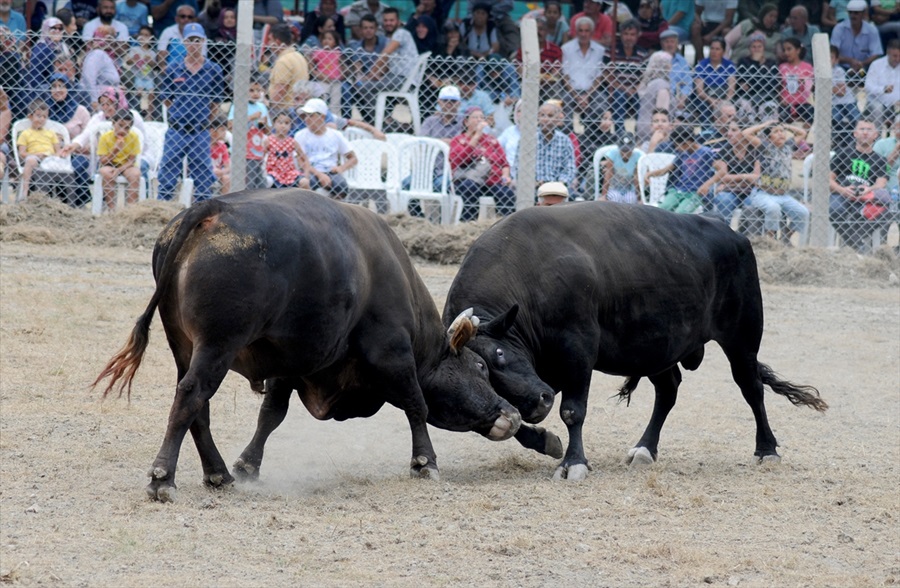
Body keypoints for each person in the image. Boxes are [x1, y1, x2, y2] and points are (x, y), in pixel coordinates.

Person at [156, 22, 224, 202]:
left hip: (200, 130)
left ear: (203, 42)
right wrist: (180, 114)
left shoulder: (213, 70)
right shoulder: (173, 68)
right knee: (168, 172)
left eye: (198, 40)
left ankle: (202, 215)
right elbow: (167, 99)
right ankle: (163, 209)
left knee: (203, 175)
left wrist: (205, 122)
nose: (194, 44)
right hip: (177, 129)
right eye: (190, 40)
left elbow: (215, 103)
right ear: (184, 42)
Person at [742, 118, 810, 242]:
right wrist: (765, 125)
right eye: (776, 132)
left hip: (783, 195)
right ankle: (770, 240)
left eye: (782, 131)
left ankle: (786, 237)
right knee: (773, 208)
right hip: (763, 193)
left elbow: (802, 133)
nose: (780, 134)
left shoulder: (788, 146)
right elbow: (746, 133)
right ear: (769, 137)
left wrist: (785, 125)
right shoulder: (765, 146)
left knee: (803, 213)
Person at [829, 118, 891, 252]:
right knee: (834, 210)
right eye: (862, 129)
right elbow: (828, 179)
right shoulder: (843, 153)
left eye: (869, 130)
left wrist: (869, 189)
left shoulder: (879, 160)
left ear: (876, 135)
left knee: (887, 212)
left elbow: (881, 184)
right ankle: (857, 244)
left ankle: (853, 242)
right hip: (842, 194)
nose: (865, 133)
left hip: (865, 197)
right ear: (855, 133)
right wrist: (842, 189)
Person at [349, 7, 417, 124]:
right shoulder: (389, 39)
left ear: (398, 21)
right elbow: (385, 63)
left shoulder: (401, 33)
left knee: (362, 86)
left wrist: (369, 76)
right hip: (393, 78)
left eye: (391, 20)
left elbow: (384, 55)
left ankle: (378, 122)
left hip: (404, 79)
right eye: (386, 20)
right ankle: (382, 121)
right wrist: (376, 75)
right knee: (364, 87)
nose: (388, 23)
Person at [449, 106, 514, 221]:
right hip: (469, 179)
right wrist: (477, 135)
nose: (479, 120)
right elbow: (459, 160)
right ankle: (468, 224)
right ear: (466, 121)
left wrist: (505, 176)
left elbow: (504, 163)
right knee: (469, 187)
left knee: (506, 193)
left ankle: (506, 225)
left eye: (482, 118)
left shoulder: (491, 140)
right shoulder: (458, 140)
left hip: (492, 181)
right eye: (475, 117)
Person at [649, 124, 724, 213]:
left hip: (695, 193)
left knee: (680, 213)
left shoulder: (706, 153)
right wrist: (649, 174)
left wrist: (707, 184)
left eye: (678, 145)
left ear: (687, 142)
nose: (677, 148)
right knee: (661, 210)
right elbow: (666, 169)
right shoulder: (683, 153)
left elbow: (723, 170)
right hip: (678, 191)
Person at [293, 98, 357, 199]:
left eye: (311, 115)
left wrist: (341, 168)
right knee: (307, 183)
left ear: (322, 116)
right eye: (305, 115)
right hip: (310, 171)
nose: (306, 119)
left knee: (342, 187)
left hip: (331, 171)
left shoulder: (335, 135)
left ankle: (335, 208)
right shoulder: (300, 135)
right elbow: (301, 162)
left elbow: (353, 158)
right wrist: (319, 175)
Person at [561, 17, 608, 152]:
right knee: (564, 106)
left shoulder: (599, 50)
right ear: (576, 31)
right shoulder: (567, 48)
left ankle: (591, 143)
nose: (583, 34)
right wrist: (577, 96)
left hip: (591, 91)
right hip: (572, 91)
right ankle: (568, 141)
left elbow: (599, 77)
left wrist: (586, 96)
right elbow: (565, 77)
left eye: (586, 31)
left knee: (600, 104)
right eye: (580, 31)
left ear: (592, 32)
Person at [519, 101, 577, 194]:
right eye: (542, 115)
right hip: (532, 186)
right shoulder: (528, 139)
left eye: (550, 116)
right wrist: (533, 182)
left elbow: (569, 169)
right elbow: (519, 166)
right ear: (538, 117)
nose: (546, 119)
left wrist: (559, 184)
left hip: (558, 187)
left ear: (557, 119)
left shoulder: (565, 140)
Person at [711, 121, 760, 221]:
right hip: (730, 192)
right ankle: (724, 233)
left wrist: (732, 180)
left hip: (751, 192)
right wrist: (747, 177)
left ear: (744, 133)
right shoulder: (725, 150)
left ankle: (748, 235)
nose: (729, 133)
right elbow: (723, 178)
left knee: (752, 202)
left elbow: (756, 178)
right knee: (723, 199)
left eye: (734, 130)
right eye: (729, 130)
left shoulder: (755, 151)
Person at [607, 19, 650, 129]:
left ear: (637, 36)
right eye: (625, 34)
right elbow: (606, 75)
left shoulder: (643, 54)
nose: (628, 38)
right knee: (619, 96)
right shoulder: (612, 51)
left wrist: (635, 89)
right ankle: (620, 133)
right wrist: (624, 89)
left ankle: (640, 132)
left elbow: (645, 77)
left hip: (636, 89)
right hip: (616, 89)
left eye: (632, 34)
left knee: (641, 98)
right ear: (620, 35)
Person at [227, 76, 269, 189]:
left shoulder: (262, 107)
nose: (255, 93)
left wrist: (264, 123)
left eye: (258, 90)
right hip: (243, 151)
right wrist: (251, 117)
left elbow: (268, 129)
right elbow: (230, 125)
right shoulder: (239, 105)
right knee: (248, 183)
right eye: (251, 90)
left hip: (258, 151)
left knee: (261, 184)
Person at [15, 100, 63, 198]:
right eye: (38, 115)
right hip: (34, 158)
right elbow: (22, 153)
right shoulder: (25, 133)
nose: (41, 119)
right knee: (30, 160)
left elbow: (58, 151)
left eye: (44, 116)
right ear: (30, 116)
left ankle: (59, 196)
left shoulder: (51, 133)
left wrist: (51, 156)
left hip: (50, 159)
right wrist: (36, 155)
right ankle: (25, 190)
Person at [342, 15, 386, 119]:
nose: (368, 31)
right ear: (361, 30)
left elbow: (386, 64)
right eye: (365, 28)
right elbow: (356, 66)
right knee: (349, 89)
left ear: (376, 29)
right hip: (361, 80)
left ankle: (377, 119)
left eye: (371, 28)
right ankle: (348, 121)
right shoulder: (355, 45)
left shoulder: (384, 43)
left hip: (380, 79)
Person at [96, 109, 141, 210]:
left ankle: (130, 208)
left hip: (126, 165)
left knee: (135, 174)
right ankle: (111, 208)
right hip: (110, 163)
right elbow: (103, 161)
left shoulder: (133, 137)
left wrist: (119, 170)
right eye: (120, 126)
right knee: (106, 173)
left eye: (127, 128)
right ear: (113, 123)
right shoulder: (105, 137)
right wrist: (115, 151)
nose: (122, 131)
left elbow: (132, 160)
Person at [691, 37, 737, 128]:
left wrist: (724, 103)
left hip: (723, 97)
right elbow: (700, 91)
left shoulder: (729, 65)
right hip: (706, 98)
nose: (714, 52)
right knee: (705, 107)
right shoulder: (702, 65)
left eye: (717, 49)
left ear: (723, 51)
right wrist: (712, 101)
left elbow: (731, 89)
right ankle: (707, 132)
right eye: (712, 48)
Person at [831, 0, 884, 78]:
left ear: (863, 14)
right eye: (850, 12)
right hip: (842, 68)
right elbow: (833, 52)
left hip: (863, 68)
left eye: (856, 13)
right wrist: (850, 61)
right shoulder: (839, 28)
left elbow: (876, 53)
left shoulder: (871, 30)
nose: (853, 15)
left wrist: (862, 63)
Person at [735, 32, 779, 123]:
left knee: (769, 108)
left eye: (759, 46)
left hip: (766, 96)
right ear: (749, 48)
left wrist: (752, 83)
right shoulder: (743, 62)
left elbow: (772, 84)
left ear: (764, 48)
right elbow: (741, 84)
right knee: (744, 107)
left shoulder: (771, 63)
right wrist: (755, 62)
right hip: (747, 97)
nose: (756, 49)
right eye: (753, 47)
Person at [268, 23, 309, 112]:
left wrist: (269, 108)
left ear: (277, 42)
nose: (268, 43)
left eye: (270, 40)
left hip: (285, 111)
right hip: (298, 107)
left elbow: (280, 90)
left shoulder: (283, 61)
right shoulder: (299, 56)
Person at [264, 111, 309, 189]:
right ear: (274, 124)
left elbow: (305, 159)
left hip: (290, 173)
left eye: (286, 123)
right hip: (273, 173)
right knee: (268, 181)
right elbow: (261, 157)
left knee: (304, 182)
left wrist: (306, 175)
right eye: (280, 122)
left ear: (291, 126)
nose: (283, 126)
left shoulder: (292, 142)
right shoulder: (269, 140)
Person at [636, 51, 672, 146]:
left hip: (642, 127)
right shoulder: (662, 86)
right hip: (654, 130)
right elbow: (661, 113)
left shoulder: (649, 83)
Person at [863, 39, 900, 130]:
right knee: (878, 108)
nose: (898, 59)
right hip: (877, 102)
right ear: (888, 52)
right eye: (895, 56)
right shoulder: (876, 65)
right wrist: (883, 89)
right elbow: (868, 87)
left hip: (896, 104)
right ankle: (877, 139)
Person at [81, 26, 121, 108]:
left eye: (113, 37)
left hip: (107, 101)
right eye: (109, 38)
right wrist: (94, 100)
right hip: (99, 102)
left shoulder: (106, 55)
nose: (112, 41)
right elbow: (89, 78)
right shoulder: (97, 54)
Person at [158, 4, 204, 74]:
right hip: (171, 71)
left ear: (194, 19)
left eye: (190, 17)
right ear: (176, 19)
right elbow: (161, 53)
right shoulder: (168, 32)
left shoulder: (200, 33)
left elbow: (203, 55)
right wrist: (163, 67)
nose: (186, 19)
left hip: (193, 69)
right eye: (183, 16)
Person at [778, 37, 814, 125]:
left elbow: (810, 87)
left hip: (803, 103)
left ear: (798, 50)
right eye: (784, 50)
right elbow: (779, 86)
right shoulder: (782, 67)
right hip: (786, 103)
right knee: (782, 115)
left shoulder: (807, 67)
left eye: (789, 49)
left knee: (810, 113)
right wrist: (781, 98)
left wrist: (803, 82)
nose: (786, 53)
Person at [46, 73, 91, 140]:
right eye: (54, 86)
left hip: (75, 149)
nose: (57, 90)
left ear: (68, 89)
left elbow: (88, 137)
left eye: (61, 86)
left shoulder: (81, 111)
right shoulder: (44, 110)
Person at [600, 132, 642, 204]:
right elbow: (608, 174)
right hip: (614, 188)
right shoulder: (613, 154)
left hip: (629, 189)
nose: (625, 154)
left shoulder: (637, 156)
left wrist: (639, 198)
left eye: (628, 150)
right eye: (623, 150)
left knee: (630, 199)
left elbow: (636, 178)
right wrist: (603, 195)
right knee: (615, 198)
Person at [658, 29, 692, 114]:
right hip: (659, 97)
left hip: (678, 99)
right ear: (662, 44)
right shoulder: (656, 59)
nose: (670, 44)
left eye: (672, 42)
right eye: (667, 42)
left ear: (677, 44)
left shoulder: (682, 61)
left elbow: (688, 83)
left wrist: (682, 99)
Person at [126, 25, 157, 117]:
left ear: (151, 38)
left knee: (151, 93)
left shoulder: (152, 52)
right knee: (141, 91)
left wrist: (149, 61)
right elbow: (128, 62)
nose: (143, 37)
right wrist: (134, 59)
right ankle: (141, 111)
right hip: (138, 76)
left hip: (149, 78)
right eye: (141, 35)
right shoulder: (134, 50)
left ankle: (149, 114)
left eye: (146, 35)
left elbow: (155, 66)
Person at [309, 30, 343, 113]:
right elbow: (310, 62)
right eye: (324, 39)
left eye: (330, 39)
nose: (326, 41)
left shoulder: (337, 53)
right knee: (323, 97)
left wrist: (341, 74)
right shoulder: (319, 52)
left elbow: (341, 64)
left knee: (336, 100)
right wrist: (316, 73)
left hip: (336, 80)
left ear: (335, 42)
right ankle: (321, 113)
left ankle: (334, 116)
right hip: (323, 79)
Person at [830, 45, 861, 129]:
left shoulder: (839, 71)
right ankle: (837, 140)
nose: (827, 60)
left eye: (831, 57)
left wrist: (826, 88)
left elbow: (841, 92)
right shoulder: (816, 71)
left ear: (836, 60)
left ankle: (854, 137)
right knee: (835, 119)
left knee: (856, 118)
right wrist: (834, 89)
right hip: (832, 103)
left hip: (847, 101)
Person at [874, 114, 900, 191]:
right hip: (889, 188)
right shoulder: (881, 144)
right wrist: (897, 149)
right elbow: (875, 170)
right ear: (894, 128)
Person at [208, 115, 231, 194]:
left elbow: (228, 167)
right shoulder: (204, 146)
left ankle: (224, 201)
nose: (225, 133)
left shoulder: (223, 146)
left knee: (227, 178)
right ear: (212, 131)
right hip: (205, 172)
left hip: (218, 174)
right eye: (222, 130)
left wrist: (222, 172)